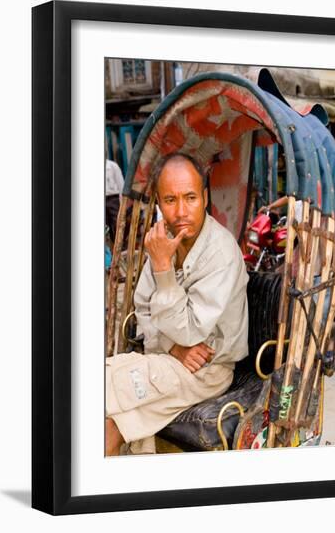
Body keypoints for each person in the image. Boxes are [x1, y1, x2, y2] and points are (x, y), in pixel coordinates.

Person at [105, 152, 249, 456]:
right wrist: (172, 347)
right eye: (170, 200)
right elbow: (143, 306)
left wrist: (162, 269)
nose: (181, 211)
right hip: (168, 357)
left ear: (205, 198)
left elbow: (192, 331)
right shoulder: (164, 240)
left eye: (191, 198)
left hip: (207, 370)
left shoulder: (220, 252)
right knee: (110, 418)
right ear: (158, 203)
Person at [105, 158, 124, 243]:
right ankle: (110, 246)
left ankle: (120, 245)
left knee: (117, 223)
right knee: (106, 227)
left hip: (113, 199)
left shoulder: (112, 166)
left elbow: (121, 184)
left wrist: (123, 203)